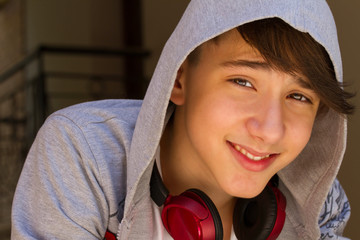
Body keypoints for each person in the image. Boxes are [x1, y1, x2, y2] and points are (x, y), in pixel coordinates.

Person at [11, 0, 354, 239]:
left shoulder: (317, 202)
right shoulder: (84, 154)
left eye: (299, 96)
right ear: (178, 79)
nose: (269, 130)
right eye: (243, 82)